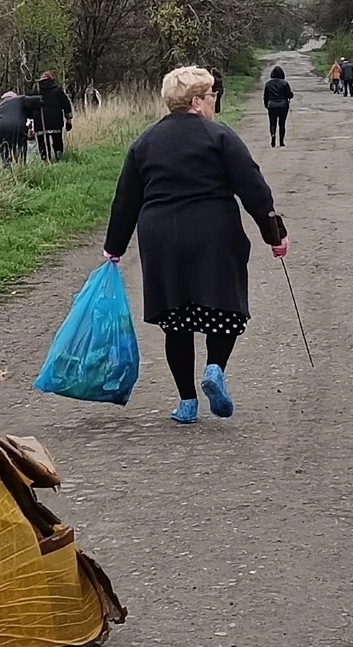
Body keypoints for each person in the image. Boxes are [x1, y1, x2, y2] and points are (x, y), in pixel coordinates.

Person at [104, 65, 290, 424]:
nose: (213, 104)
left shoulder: (144, 141)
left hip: (161, 238)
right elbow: (253, 187)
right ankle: (215, 370)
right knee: (225, 309)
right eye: (211, 97)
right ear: (196, 101)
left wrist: (115, 246)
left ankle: (186, 403)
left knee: (176, 322)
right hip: (213, 232)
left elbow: (125, 198)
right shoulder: (218, 136)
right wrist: (275, 235)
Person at [34, 69, 73, 161]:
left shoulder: (36, 90)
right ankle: (59, 158)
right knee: (57, 140)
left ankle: (45, 159)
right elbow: (66, 105)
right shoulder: (58, 90)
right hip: (55, 120)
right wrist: (68, 119)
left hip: (40, 121)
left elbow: (29, 105)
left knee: (43, 142)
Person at [0, 88, 32, 166]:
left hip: (0, 130)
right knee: (20, 147)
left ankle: (6, 166)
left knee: (4, 149)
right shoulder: (19, 105)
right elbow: (24, 121)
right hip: (17, 129)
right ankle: (21, 165)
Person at [262, 63, 294, 148]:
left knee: (272, 123)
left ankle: (273, 135)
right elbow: (289, 95)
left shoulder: (268, 84)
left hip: (271, 105)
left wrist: (266, 105)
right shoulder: (285, 83)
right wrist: (291, 94)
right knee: (282, 124)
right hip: (283, 105)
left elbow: (265, 96)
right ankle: (281, 141)